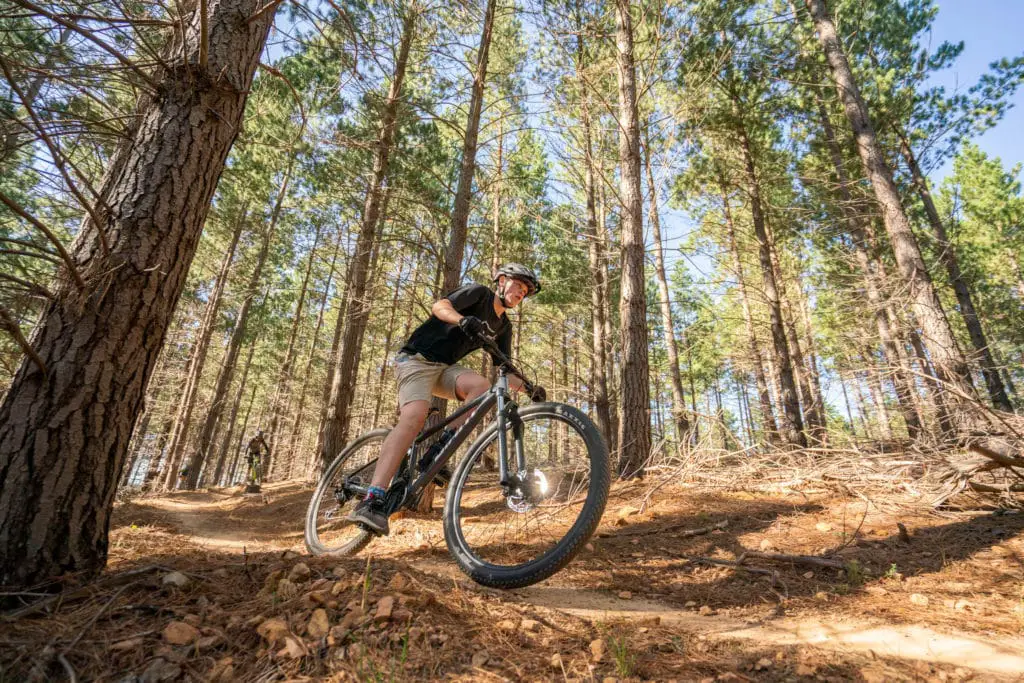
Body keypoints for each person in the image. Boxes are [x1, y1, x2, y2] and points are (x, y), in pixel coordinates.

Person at [348, 263, 547, 535]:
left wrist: (529, 388)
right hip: (416, 359)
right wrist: (462, 319)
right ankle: (371, 499)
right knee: (415, 416)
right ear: (501, 281)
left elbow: (505, 369)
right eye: (518, 286)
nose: (521, 293)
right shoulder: (479, 294)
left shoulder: (504, 326)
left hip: (444, 369)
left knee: (481, 386)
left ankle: (437, 451)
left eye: (525, 291)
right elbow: (439, 307)